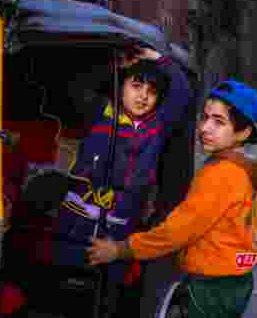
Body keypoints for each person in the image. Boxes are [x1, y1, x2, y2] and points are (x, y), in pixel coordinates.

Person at [87, 80, 257, 318]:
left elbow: (177, 232)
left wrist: (120, 249)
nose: (205, 128)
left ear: (244, 132)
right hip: (235, 282)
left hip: (209, 287)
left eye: (219, 122)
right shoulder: (244, 166)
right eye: (204, 118)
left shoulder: (222, 174)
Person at [57, 46, 193, 317]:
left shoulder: (157, 126)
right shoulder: (98, 112)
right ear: (121, 86)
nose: (143, 95)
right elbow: (74, 85)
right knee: (70, 295)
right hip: (78, 222)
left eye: (152, 91)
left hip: (124, 226)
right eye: (136, 85)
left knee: (112, 298)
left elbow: (182, 92)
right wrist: (118, 65)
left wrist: (157, 59)